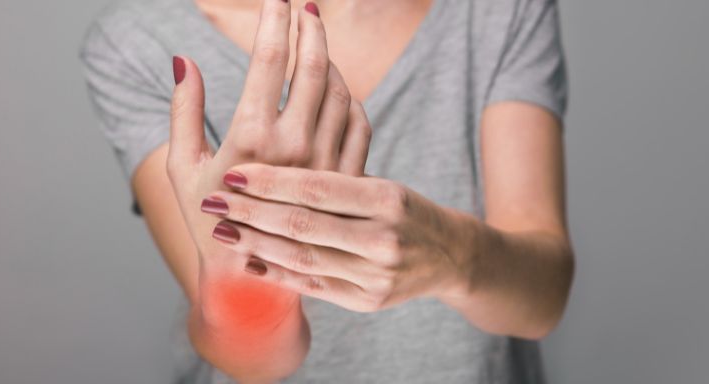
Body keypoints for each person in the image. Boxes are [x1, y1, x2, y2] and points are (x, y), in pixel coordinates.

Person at [79, 0, 574, 382]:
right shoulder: (137, 40)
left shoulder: (497, 11)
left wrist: (452, 254)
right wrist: (249, 286)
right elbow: (253, 362)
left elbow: (544, 296)